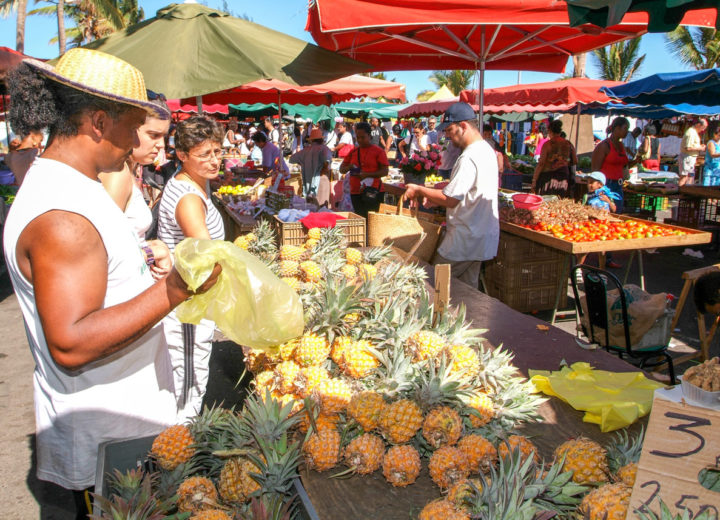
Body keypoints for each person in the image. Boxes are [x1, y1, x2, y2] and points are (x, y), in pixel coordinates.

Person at [4, 48, 221, 519]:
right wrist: (175, 291)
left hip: (123, 424)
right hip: (107, 437)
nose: (137, 143)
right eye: (132, 125)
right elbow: (71, 342)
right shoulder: (63, 213)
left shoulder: (80, 188)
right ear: (99, 122)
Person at [157, 115, 226, 421]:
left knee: (188, 378)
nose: (214, 161)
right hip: (187, 308)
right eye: (204, 154)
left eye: (218, 151)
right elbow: (206, 256)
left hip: (191, 303)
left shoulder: (192, 185)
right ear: (182, 155)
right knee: (187, 383)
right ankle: (177, 453)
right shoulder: (188, 198)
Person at [404, 102, 499, 287]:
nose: (446, 135)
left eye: (449, 130)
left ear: (463, 126)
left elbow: (451, 199)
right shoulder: (486, 150)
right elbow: (465, 193)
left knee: (432, 284)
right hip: (479, 235)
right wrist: (434, 197)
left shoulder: (469, 156)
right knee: (465, 292)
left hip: (464, 238)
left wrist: (420, 189)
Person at [99, 93, 171, 244]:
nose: (161, 145)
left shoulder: (126, 170)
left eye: (164, 136)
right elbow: (105, 246)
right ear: (132, 128)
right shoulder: (116, 174)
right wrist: (150, 253)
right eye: (153, 135)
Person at [339, 121, 388, 218]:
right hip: (356, 192)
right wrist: (349, 167)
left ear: (369, 136)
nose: (360, 140)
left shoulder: (378, 151)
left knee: (373, 221)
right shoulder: (353, 152)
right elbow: (341, 169)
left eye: (363, 137)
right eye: (358, 138)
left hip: (373, 191)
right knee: (360, 219)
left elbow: (385, 171)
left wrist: (367, 174)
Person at [591, 116, 636, 214]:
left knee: (617, 212)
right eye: (625, 129)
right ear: (617, 128)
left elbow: (624, 165)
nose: (627, 132)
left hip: (618, 185)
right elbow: (595, 169)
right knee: (605, 212)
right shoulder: (604, 146)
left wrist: (637, 161)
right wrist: (598, 187)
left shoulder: (621, 146)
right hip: (606, 185)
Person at [532, 119, 577, 198]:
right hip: (563, 178)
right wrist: (564, 161)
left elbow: (541, 163)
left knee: (546, 201)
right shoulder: (568, 144)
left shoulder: (547, 144)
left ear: (550, 131)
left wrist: (534, 180)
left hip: (548, 178)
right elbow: (575, 161)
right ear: (560, 131)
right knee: (558, 202)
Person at [290, 128, 332, 197]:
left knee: (311, 205)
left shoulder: (305, 150)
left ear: (311, 140)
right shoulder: (324, 148)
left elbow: (291, 159)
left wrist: (303, 163)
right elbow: (326, 162)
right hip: (321, 178)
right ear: (321, 139)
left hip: (308, 181)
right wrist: (324, 169)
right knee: (322, 205)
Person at [679, 118, 708, 186]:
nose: (703, 130)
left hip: (691, 158)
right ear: (698, 125)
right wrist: (700, 148)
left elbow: (692, 145)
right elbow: (688, 148)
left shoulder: (694, 132)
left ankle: (687, 192)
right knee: (684, 177)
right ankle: (679, 194)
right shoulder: (691, 133)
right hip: (687, 157)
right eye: (703, 127)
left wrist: (699, 146)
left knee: (690, 177)